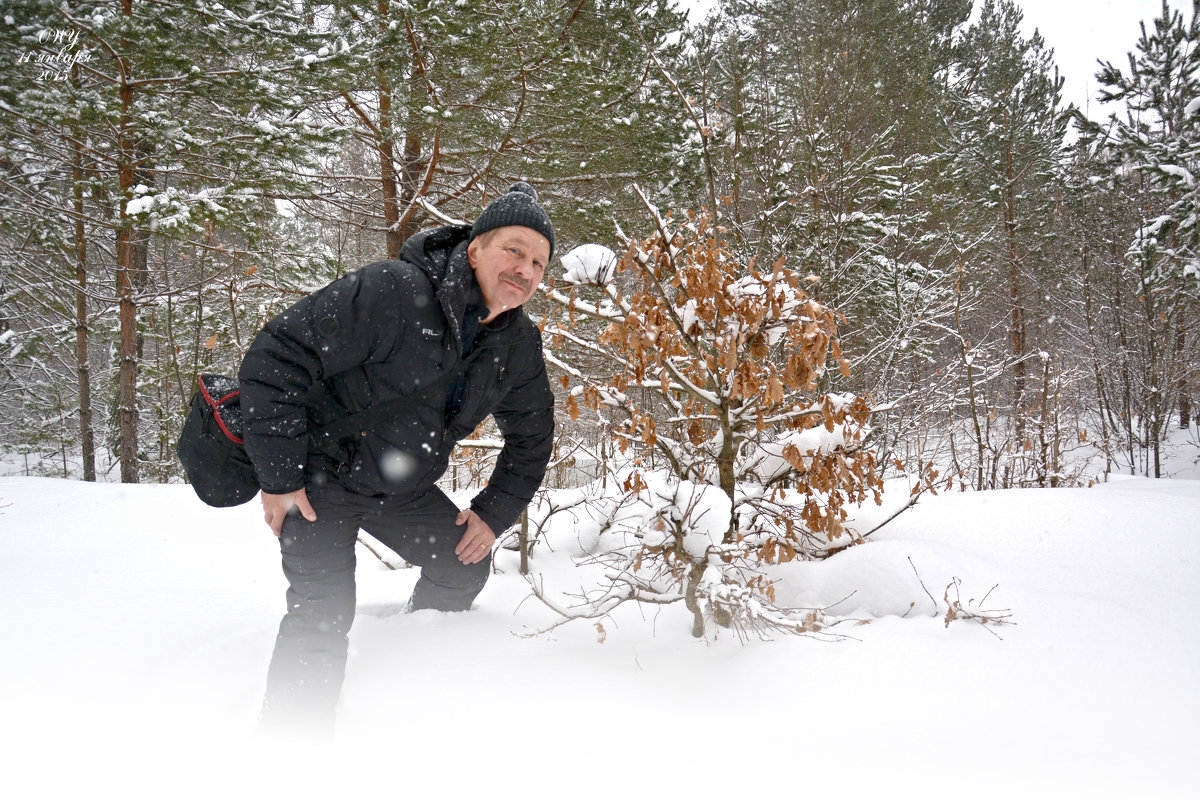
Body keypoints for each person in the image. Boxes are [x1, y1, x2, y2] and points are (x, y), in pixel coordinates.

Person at [238, 183, 556, 729]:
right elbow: (276, 357)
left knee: (463, 568)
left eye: (538, 262)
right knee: (321, 616)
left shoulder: (517, 344)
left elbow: (533, 436)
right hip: (319, 481)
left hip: (400, 485)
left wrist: (493, 511)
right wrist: (280, 477)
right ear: (475, 248)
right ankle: (288, 752)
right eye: (514, 249)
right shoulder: (393, 290)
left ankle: (416, 673)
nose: (524, 269)